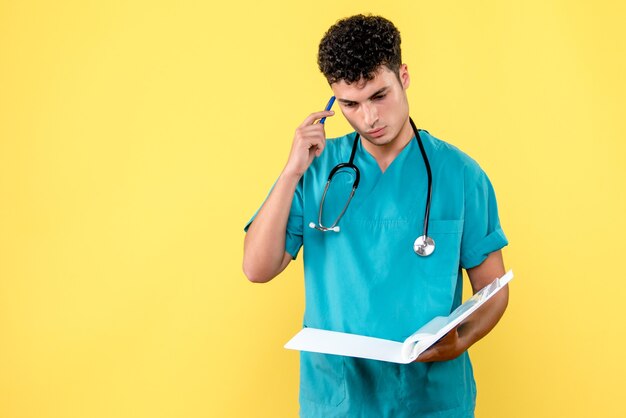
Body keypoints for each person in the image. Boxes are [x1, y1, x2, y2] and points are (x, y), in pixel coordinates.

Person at [243, 14, 509, 418]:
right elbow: (257, 268)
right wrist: (291, 171)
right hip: (338, 397)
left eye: (379, 96)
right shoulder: (317, 170)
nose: (369, 117)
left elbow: (493, 290)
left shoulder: (460, 174)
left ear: (403, 76)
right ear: (333, 101)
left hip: (432, 399)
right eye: (350, 103)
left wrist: (461, 340)